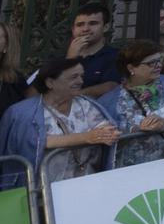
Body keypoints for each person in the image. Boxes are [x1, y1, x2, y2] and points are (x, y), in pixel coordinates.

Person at [0, 57, 117, 186]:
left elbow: (105, 129)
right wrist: (87, 138)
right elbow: (36, 141)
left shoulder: (86, 104)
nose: (80, 81)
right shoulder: (22, 112)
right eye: (73, 77)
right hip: (42, 190)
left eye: (81, 76)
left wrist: (107, 133)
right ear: (50, 82)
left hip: (85, 183)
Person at [105, 40, 164, 166]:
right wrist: (138, 129)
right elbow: (110, 137)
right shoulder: (111, 100)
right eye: (151, 63)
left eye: (159, 60)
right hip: (133, 166)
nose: (158, 65)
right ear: (131, 68)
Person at [65, 3, 121, 99]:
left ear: (105, 27)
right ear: (73, 30)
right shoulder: (62, 59)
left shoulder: (115, 56)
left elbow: (111, 86)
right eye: (80, 25)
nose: (85, 29)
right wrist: (70, 59)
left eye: (93, 23)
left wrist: (73, 96)